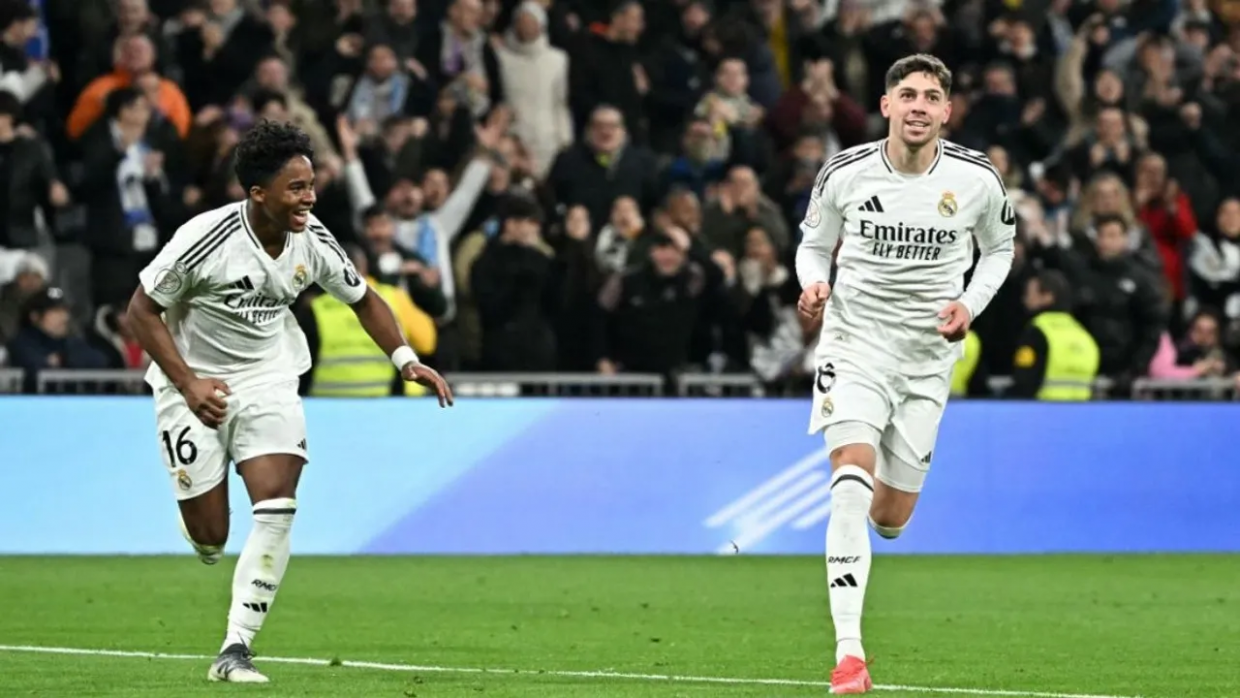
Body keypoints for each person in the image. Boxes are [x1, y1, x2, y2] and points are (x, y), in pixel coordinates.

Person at [126, 120, 454, 684]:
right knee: (211, 536)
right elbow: (140, 311)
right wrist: (189, 384)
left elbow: (363, 298)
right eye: (297, 188)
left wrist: (405, 359)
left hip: (269, 378)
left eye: (312, 185)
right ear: (259, 193)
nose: (310, 198)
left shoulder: (312, 238)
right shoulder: (205, 239)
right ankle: (200, 528)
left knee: (278, 506)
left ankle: (235, 648)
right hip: (192, 383)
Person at [794, 54, 1016, 694]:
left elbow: (1000, 250)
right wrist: (814, 283)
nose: (919, 105)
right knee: (849, 482)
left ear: (947, 111)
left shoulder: (977, 179)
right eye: (908, 94)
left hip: (926, 360)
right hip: (855, 345)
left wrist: (969, 305)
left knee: (890, 518)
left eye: (930, 97)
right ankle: (849, 655)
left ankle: (866, 525)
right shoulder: (845, 171)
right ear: (887, 105)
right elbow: (814, 244)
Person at [1009, 269, 1100, 400]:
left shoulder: (1036, 332)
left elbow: (1024, 381)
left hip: (1042, 408)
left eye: (1029, 294)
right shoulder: (1083, 335)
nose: (1024, 300)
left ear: (1047, 296)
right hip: (1080, 410)